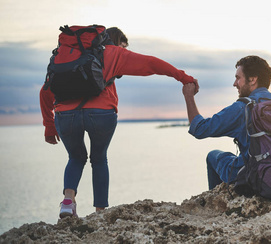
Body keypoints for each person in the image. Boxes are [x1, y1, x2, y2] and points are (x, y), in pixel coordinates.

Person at [40, 27, 198, 218]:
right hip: (101, 113)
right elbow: (151, 63)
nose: (125, 48)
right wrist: (183, 77)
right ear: (114, 41)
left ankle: (67, 202)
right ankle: (100, 212)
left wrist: (49, 125)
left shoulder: (65, 56)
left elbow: (45, 92)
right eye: (123, 45)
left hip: (65, 116)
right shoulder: (113, 53)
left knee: (75, 157)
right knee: (98, 159)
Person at [182, 55, 271, 190]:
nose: (234, 83)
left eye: (238, 78)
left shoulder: (243, 108)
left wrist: (188, 96)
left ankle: (217, 206)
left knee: (213, 156)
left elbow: (199, 129)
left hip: (256, 181)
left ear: (253, 79)